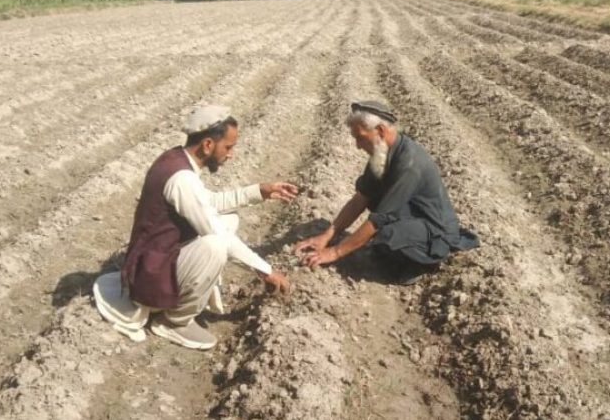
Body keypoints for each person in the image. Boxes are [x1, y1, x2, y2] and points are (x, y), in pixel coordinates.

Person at [121, 105, 297, 350]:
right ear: (207, 145)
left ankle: (191, 290)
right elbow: (215, 232)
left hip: (156, 257)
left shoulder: (176, 160)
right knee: (215, 244)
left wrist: (259, 191)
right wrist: (265, 270)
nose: (231, 154)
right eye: (228, 147)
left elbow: (209, 203)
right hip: (147, 275)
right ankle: (174, 321)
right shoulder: (182, 179)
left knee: (229, 220)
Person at [295, 101, 479, 284]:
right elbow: (361, 198)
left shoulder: (409, 163)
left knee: (386, 235)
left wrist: (335, 252)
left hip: (435, 229)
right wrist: (327, 236)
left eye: (360, 137)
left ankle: (422, 263)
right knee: (379, 223)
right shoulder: (381, 153)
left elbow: (379, 218)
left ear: (381, 131)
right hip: (410, 214)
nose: (357, 145)